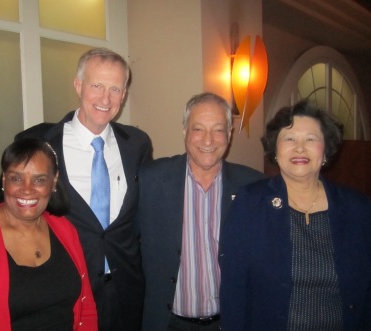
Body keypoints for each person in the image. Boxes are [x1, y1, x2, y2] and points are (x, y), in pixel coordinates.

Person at [15, 47, 152, 330]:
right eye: (97, 86)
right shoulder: (38, 141)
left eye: (115, 89)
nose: (106, 98)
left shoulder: (137, 144)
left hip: (125, 292)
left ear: (124, 95)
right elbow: (16, 217)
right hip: (63, 291)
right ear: (78, 86)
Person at [219, 100, 371, 330]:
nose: (300, 148)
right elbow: (234, 289)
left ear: (326, 150)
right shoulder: (250, 203)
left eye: (311, 139)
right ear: (276, 151)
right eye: (289, 139)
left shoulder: (357, 208)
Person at [136, 92, 264, 331]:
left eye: (217, 129)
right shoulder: (150, 180)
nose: (208, 140)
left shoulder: (253, 187)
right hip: (168, 323)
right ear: (184, 131)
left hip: (231, 322)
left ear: (229, 134)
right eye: (198, 129)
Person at [0, 138, 98, 330]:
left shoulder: (65, 229)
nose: (27, 189)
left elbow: (86, 307)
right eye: (16, 178)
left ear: (54, 181)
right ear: (4, 180)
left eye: (39, 180)